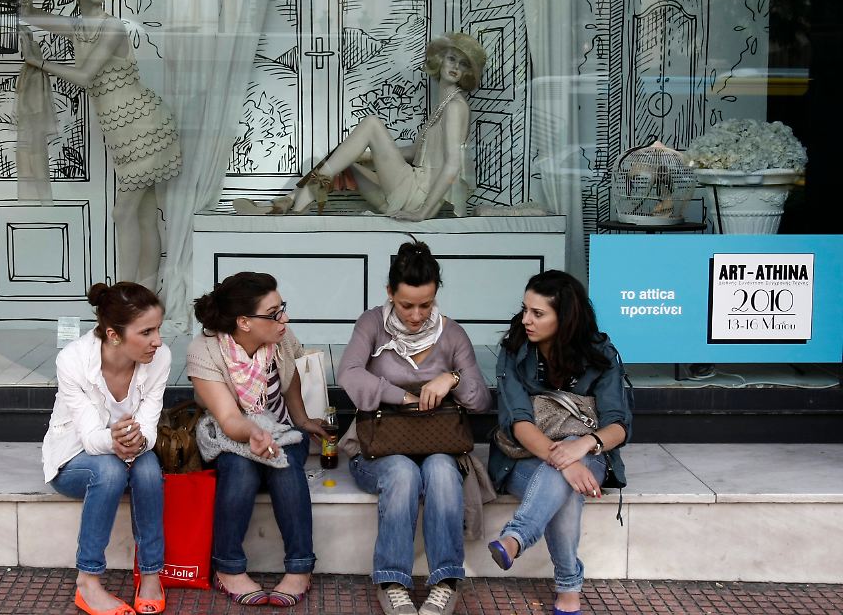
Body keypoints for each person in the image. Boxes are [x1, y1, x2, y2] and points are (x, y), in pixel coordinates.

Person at [335, 240, 492, 615]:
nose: (417, 315)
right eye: (407, 305)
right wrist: (402, 396)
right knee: (403, 473)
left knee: (442, 470)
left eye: (426, 304)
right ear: (389, 292)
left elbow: (481, 400)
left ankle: (446, 581)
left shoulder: (452, 334)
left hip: (437, 445)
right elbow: (349, 373)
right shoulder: (372, 324)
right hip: (379, 448)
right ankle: (392, 581)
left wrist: (452, 378)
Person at [19, 0, 182, 290]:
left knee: (123, 213)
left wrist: (40, 63)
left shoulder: (112, 27)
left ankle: (123, 296)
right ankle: (145, 297)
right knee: (145, 215)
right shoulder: (80, 27)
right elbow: (28, 14)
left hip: (144, 126)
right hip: (123, 130)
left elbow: (84, 76)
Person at [487, 270, 634, 615]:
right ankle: (568, 588)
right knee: (565, 486)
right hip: (523, 456)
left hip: (589, 453)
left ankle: (515, 539)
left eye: (538, 313)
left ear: (565, 317)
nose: (526, 320)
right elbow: (518, 422)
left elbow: (619, 426)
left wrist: (580, 446)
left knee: (563, 478)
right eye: (525, 309)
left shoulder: (599, 353)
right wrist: (565, 461)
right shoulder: (515, 349)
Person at [186, 272, 327, 607]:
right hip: (229, 436)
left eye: (283, 308)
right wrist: (255, 434)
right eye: (274, 313)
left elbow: (290, 379)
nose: (284, 319)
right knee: (240, 468)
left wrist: (302, 420)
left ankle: (300, 567)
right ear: (244, 322)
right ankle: (228, 567)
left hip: (281, 430)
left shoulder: (281, 338)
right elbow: (229, 418)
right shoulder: (205, 351)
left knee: (284, 465)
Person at [236, 33, 484, 220]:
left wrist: (423, 213)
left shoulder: (455, 107)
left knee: (371, 124)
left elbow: (453, 165)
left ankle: (292, 202)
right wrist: (365, 153)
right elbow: (414, 153)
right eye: (452, 59)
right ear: (441, 60)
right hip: (405, 192)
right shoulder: (443, 105)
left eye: (463, 64)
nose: (455, 67)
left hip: (417, 195)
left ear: (468, 73)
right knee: (343, 160)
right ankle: (292, 202)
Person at [41, 282, 170, 615]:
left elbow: (150, 424)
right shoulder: (73, 360)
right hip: (74, 460)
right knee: (110, 470)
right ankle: (88, 582)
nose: (157, 340)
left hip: (130, 454)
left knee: (149, 469)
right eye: (146, 332)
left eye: (158, 329)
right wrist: (113, 441)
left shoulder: (160, 358)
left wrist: (140, 441)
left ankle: (151, 575)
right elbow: (88, 437)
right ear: (113, 335)